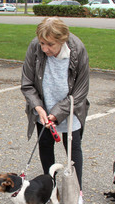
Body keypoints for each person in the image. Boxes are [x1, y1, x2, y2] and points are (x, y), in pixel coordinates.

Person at [21, 17, 90, 204]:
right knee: (45, 147)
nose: (44, 49)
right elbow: (27, 83)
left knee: (73, 152)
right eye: (42, 43)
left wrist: (58, 112)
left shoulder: (78, 49)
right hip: (42, 111)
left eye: (50, 44)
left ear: (63, 40)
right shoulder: (35, 46)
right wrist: (38, 108)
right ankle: (50, 190)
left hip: (71, 110)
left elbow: (81, 91)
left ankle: (76, 192)